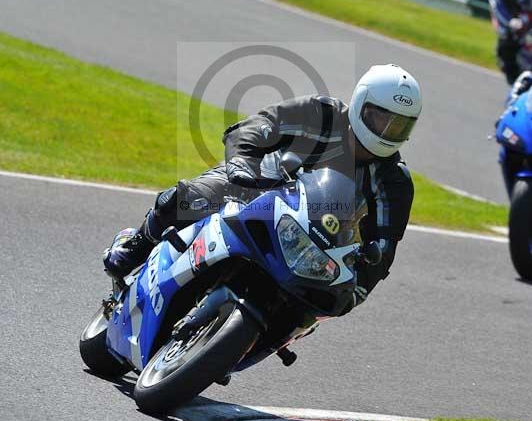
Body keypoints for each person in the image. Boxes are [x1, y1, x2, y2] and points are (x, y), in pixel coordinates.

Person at [104, 63, 422, 306]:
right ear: (360, 103)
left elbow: (383, 246)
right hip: (256, 190)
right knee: (186, 199)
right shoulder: (323, 113)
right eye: (381, 118)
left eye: (399, 125)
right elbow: (259, 126)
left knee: (321, 302)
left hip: (316, 243)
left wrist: (360, 288)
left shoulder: (395, 182)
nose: (387, 130)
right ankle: (138, 244)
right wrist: (243, 163)